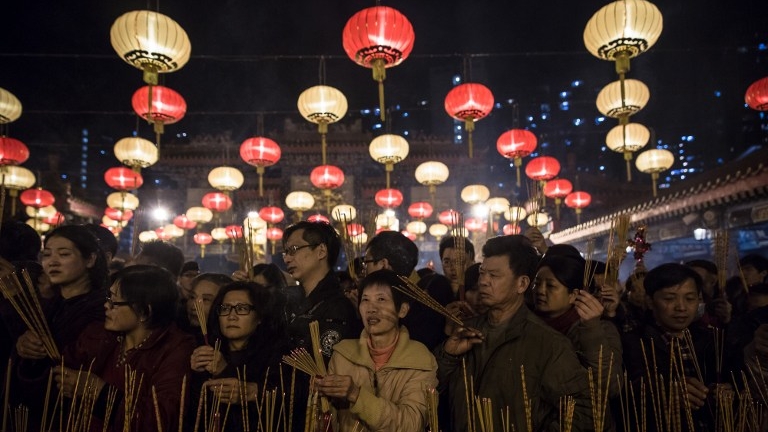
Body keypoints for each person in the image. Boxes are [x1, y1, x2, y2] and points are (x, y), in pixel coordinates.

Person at [436, 235, 593, 432]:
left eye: (494, 275)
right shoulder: (466, 331)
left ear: (522, 284)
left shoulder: (547, 343)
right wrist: (448, 355)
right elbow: (431, 388)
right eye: (482, 273)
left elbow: (583, 410)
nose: (483, 281)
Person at [54, 265, 195, 432]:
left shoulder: (176, 349)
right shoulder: (101, 333)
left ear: (144, 311)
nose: (106, 306)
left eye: (114, 302)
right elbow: (62, 369)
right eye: (108, 298)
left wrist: (101, 393)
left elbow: (161, 419)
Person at [11, 225, 109, 428]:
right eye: (46, 255)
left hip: (74, 415)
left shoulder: (103, 309)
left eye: (64, 254)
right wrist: (24, 347)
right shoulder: (50, 305)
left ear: (90, 259)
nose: (52, 262)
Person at [315, 269, 438, 432]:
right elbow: (328, 420)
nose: (371, 308)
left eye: (381, 299)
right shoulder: (343, 354)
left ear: (402, 309)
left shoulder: (420, 360)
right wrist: (318, 401)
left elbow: (411, 424)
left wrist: (356, 395)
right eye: (365, 300)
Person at [622, 263, 724, 430]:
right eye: (669, 299)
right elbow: (630, 389)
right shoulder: (634, 343)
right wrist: (666, 392)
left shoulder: (711, 339)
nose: (681, 307)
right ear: (650, 302)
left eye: (690, 299)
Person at [189, 281, 290, 431]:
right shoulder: (208, 347)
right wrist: (196, 374)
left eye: (242, 309)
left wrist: (224, 370)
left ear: (260, 316)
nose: (231, 316)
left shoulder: (279, 354)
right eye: (225, 309)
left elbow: (285, 403)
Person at [532, 251, 622, 399]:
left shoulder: (601, 329)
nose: (540, 291)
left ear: (573, 295)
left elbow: (611, 387)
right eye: (537, 283)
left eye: (550, 286)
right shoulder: (525, 324)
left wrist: (592, 331)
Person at [281, 221, 360, 360]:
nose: (287, 259)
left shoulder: (338, 307)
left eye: (293, 249)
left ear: (321, 251)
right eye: (285, 252)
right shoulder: (287, 299)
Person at [364, 231, 453, 350]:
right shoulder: (404, 292)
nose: (364, 271)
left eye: (366, 263)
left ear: (383, 264)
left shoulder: (431, 293)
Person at [438, 235, 475, 300]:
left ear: (472, 262)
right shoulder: (435, 298)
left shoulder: (480, 300)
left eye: (460, 262)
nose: (453, 268)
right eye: (447, 262)